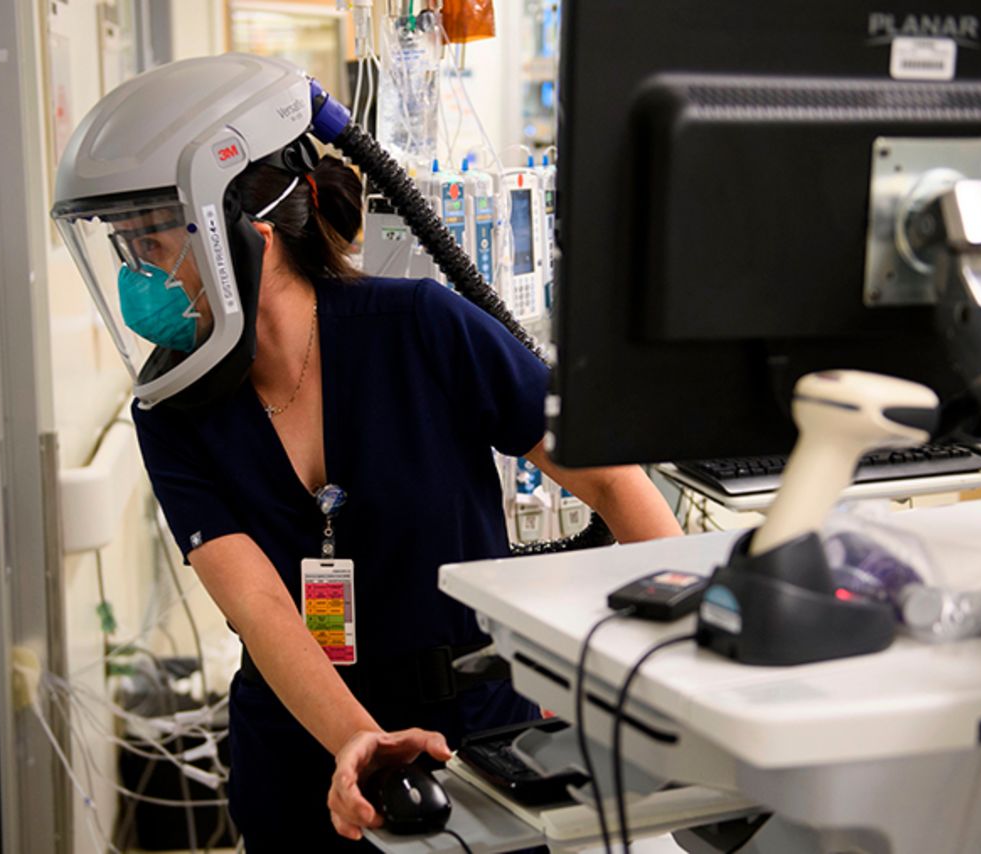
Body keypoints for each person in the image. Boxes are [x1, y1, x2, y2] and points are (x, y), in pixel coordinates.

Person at [127, 153, 682, 851]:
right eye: (127, 249)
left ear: (247, 243)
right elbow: (257, 604)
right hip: (299, 743)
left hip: (472, 730)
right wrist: (356, 738)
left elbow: (607, 478)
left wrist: (696, 670)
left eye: (151, 244)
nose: (135, 277)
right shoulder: (170, 407)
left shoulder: (421, 325)